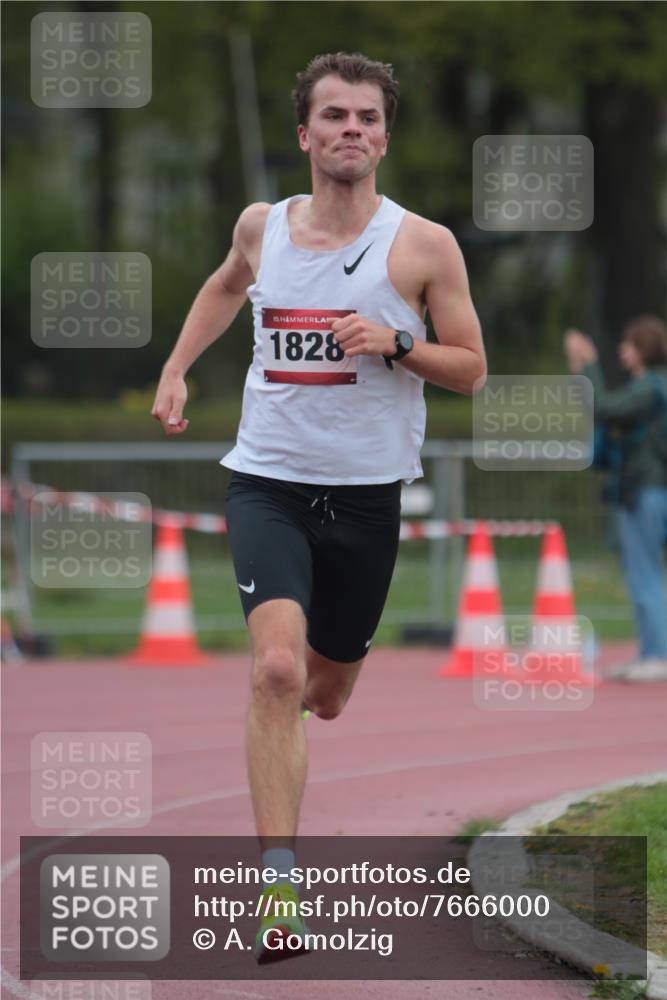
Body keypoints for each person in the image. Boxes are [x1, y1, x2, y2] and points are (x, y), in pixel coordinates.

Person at [151, 51, 486, 960]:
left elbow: (470, 369)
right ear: (304, 134)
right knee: (275, 672)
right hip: (267, 484)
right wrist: (177, 367)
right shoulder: (261, 227)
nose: (351, 130)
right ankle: (278, 892)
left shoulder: (422, 245)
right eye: (334, 115)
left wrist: (396, 342)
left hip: (366, 499)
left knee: (325, 697)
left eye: (367, 118)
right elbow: (226, 285)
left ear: (384, 138)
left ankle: (288, 728)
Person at [564, 316, 667, 683]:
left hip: (647, 490)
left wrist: (590, 364)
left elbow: (603, 408)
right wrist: (582, 372)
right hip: (646, 489)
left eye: (629, 344)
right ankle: (650, 651)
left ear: (644, 350)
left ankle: (657, 655)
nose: (623, 350)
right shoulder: (648, 387)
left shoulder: (650, 387)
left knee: (645, 573)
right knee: (642, 572)